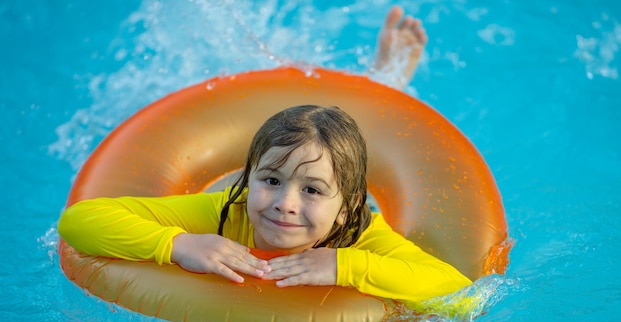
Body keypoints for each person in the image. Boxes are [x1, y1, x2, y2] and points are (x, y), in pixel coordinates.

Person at [58, 8, 470, 303]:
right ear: (250, 178)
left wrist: (345, 267)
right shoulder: (226, 214)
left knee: (331, 153)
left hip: (342, 224)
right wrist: (180, 245)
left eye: (311, 191)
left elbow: (457, 291)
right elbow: (78, 221)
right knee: (302, 160)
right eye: (270, 180)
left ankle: (386, 85)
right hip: (239, 189)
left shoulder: (361, 234)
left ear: (348, 208)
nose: (285, 205)